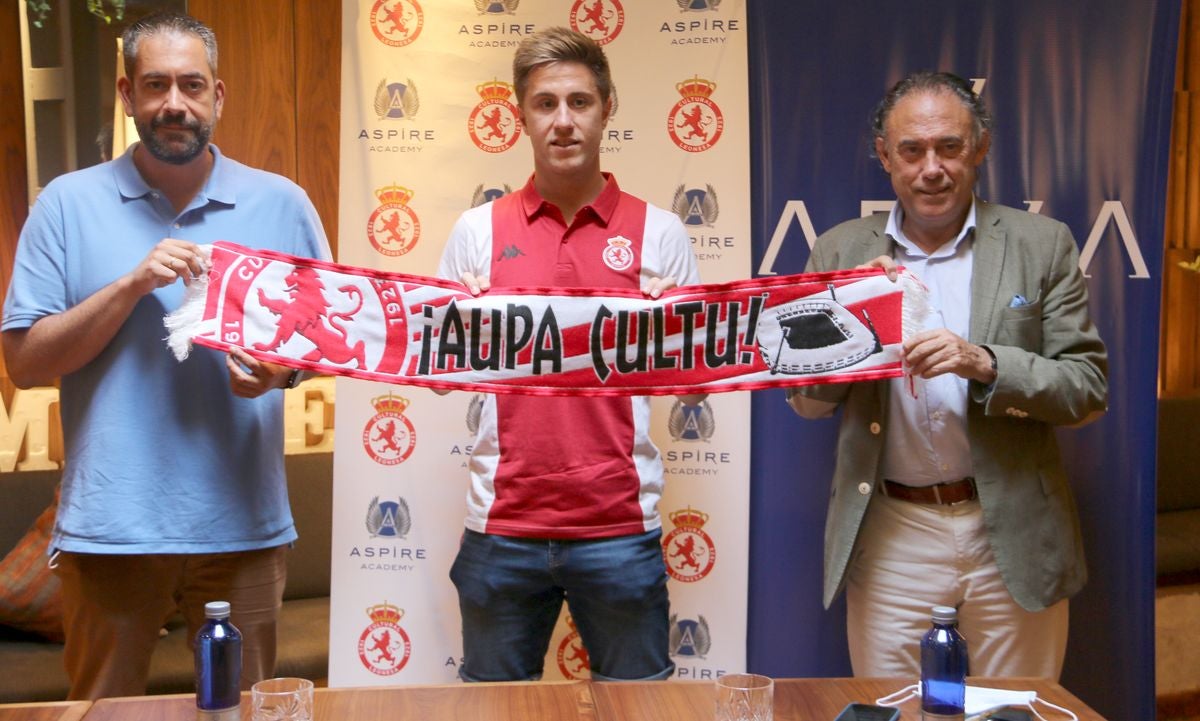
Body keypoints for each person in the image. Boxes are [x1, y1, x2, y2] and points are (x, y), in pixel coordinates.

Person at [1, 11, 330, 700]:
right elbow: (25, 362)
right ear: (127, 95)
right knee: (100, 713)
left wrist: (283, 370)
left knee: (241, 712)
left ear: (219, 95)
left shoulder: (283, 204)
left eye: (190, 85)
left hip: (244, 523)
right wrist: (130, 285)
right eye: (155, 86)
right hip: (110, 530)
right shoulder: (66, 204)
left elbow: (321, 343)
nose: (173, 104)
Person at [787, 71, 1107, 679]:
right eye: (911, 150)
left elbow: (1087, 387)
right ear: (885, 156)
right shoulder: (840, 253)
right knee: (896, 714)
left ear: (980, 147)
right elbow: (807, 403)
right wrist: (852, 323)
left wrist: (984, 362)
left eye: (949, 147)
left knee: (1016, 714)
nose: (931, 167)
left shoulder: (1042, 244)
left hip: (1008, 530)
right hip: (891, 535)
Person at [436, 26, 702, 682]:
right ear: (521, 115)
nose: (562, 121)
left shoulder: (659, 233)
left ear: (608, 107)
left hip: (617, 526)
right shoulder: (476, 231)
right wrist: (455, 326)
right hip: (501, 525)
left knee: (639, 706)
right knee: (494, 711)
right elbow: (438, 376)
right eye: (545, 103)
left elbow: (694, 375)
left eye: (579, 102)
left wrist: (676, 330)